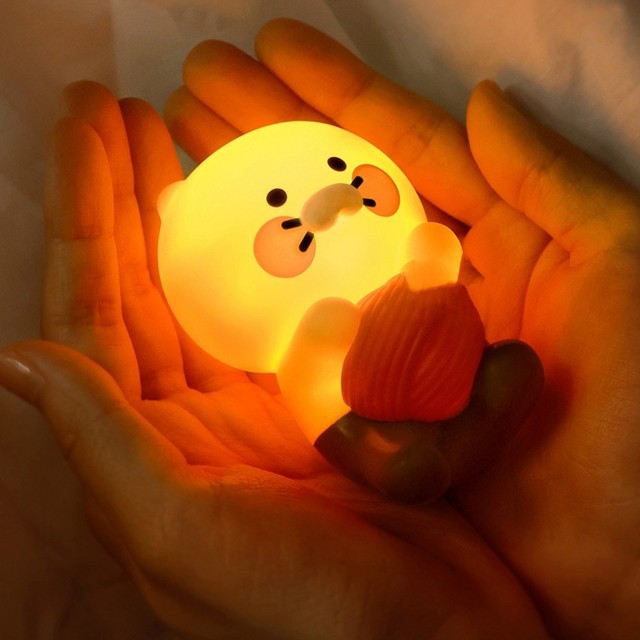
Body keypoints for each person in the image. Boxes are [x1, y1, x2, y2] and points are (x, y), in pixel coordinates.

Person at [0, 17, 638, 639]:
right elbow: (314, 379)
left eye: (336, 164)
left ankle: (477, 411)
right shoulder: (295, 333)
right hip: (354, 414)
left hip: (448, 359)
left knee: (512, 366)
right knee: (390, 443)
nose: (328, 197)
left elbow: (435, 260)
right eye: (276, 202)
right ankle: (399, 458)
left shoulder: (394, 252)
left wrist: (429, 270)